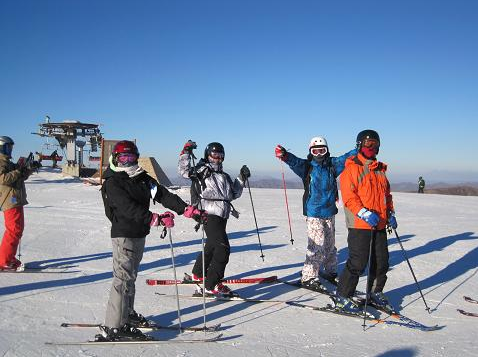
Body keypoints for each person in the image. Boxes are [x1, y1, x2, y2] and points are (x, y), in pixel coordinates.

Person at [99, 140, 205, 341]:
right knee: (122, 279)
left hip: (139, 233)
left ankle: (126, 314)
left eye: (131, 157)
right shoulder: (113, 182)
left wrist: (186, 209)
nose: (127, 161)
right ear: (115, 158)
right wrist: (154, 218)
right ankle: (114, 325)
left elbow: (162, 194)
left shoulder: (140, 177)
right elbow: (126, 208)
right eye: (123, 157)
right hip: (124, 234)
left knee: (130, 277)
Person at [275, 137, 356, 291]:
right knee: (317, 244)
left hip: (329, 211)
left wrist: (359, 149)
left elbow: (347, 157)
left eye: (322, 150)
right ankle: (309, 276)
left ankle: (331, 271)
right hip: (313, 211)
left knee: (330, 245)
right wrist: (284, 155)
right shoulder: (307, 167)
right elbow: (294, 161)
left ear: (327, 150)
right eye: (315, 151)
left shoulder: (332, 165)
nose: (319, 154)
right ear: (311, 152)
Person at [333, 129, 398, 312]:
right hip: (360, 224)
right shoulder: (352, 168)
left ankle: (375, 293)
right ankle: (343, 296)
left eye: (375, 145)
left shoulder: (380, 170)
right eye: (368, 144)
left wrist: (390, 213)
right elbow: (349, 197)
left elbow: (387, 196)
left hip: (380, 223)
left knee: (382, 261)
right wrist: (363, 212)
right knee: (358, 262)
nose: (371, 148)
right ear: (359, 145)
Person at [178, 140, 250, 296]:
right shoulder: (202, 170)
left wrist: (241, 178)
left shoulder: (223, 176)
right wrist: (186, 152)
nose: (217, 158)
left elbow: (233, 194)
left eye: (220, 156)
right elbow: (184, 171)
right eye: (214, 155)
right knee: (223, 249)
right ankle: (211, 284)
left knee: (211, 246)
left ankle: (198, 274)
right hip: (208, 214)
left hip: (222, 215)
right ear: (207, 155)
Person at [0, 136, 38, 270]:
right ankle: (4, 260)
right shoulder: (0, 162)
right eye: (8, 147)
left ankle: (7, 257)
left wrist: (29, 168)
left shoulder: (7, 162)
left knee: (17, 229)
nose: (10, 150)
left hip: (16, 198)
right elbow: (3, 178)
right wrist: (19, 171)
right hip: (9, 199)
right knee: (14, 229)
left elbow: (20, 175)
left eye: (11, 147)